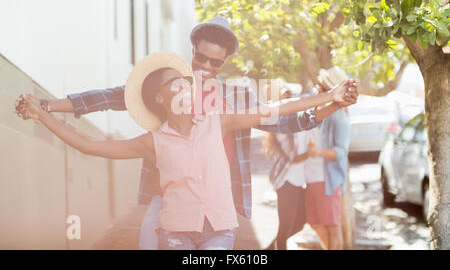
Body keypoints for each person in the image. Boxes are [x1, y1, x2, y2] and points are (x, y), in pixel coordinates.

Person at [15, 17, 359, 249]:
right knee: (151, 237)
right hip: (169, 193)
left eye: (216, 63)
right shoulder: (167, 82)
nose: (207, 68)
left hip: (216, 200)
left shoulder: (234, 99)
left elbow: (283, 118)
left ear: (224, 63)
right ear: (192, 53)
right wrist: (45, 106)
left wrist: (332, 102)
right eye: (202, 59)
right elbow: (107, 99)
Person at [291, 66, 351, 250]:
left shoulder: (339, 116)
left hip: (327, 180)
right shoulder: (314, 110)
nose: (318, 90)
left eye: (322, 88)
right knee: (315, 223)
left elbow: (341, 151)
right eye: (319, 86)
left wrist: (319, 152)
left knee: (332, 226)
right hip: (310, 178)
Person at [263, 85, 308, 250]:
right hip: (286, 181)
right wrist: (312, 153)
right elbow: (293, 158)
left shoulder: (296, 120)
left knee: (301, 222)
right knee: (286, 226)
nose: (288, 100)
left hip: (297, 180)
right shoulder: (281, 125)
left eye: (290, 97)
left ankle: (270, 248)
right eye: (284, 97)